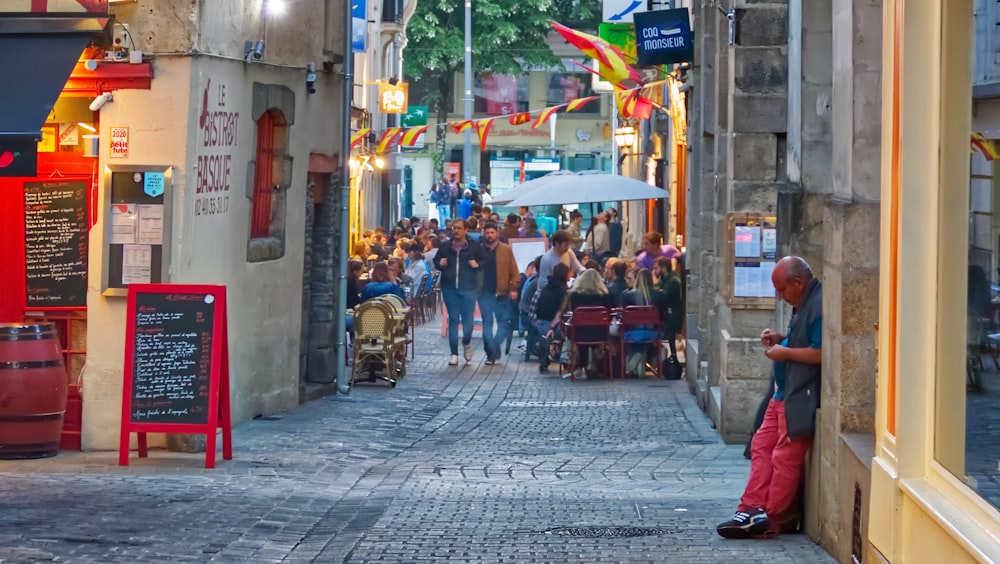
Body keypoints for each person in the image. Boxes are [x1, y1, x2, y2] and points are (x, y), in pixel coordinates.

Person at [716, 256, 822, 539]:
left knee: (785, 456)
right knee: (761, 445)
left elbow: (821, 352)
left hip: (798, 395)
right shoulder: (803, 302)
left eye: (782, 289)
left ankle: (770, 518)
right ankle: (750, 507)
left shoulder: (818, 305)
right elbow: (801, 340)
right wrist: (781, 338)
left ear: (798, 283)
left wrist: (784, 352)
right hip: (782, 392)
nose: (780, 296)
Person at [433, 218, 484, 365]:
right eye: (454, 228)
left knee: (468, 320)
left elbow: (484, 262)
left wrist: (477, 264)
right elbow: (437, 262)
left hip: (469, 288)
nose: (456, 230)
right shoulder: (445, 246)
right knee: (453, 319)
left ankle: (466, 341)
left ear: (465, 230)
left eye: (459, 228)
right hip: (450, 289)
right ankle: (454, 353)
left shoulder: (473, 246)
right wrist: (440, 264)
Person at [477, 222, 520, 365]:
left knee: (504, 324)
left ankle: (495, 346)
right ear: (484, 233)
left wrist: (514, 288)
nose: (489, 235)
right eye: (487, 233)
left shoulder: (506, 250)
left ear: (497, 234)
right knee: (487, 325)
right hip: (484, 293)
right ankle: (490, 354)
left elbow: (513, 270)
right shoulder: (479, 250)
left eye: (492, 233)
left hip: (501, 293)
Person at [620, 268, 668, 377]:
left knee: (625, 335)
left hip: (633, 333)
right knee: (646, 337)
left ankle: (635, 357)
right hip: (654, 333)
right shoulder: (660, 294)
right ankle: (642, 357)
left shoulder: (627, 294)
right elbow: (664, 314)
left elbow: (622, 315)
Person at [565, 268, 611, 380]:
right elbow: (609, 313)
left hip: (580, 332)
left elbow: (572, 310)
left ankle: (582, 367)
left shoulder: (575, 295)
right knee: (590, 333)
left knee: (581, 334)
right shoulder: (604, 296)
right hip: (601, 333)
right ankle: (595, 360)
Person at [534, 263, 571, 374]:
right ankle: (566, 359)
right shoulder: (563, 290)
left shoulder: (546, 287)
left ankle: (545, 349)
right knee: (571, 331)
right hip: (552, 325)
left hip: (539, 322)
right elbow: (562, 311)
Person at [654, 256, 684, 377]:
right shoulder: (665, 281)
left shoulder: (673, 282)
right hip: (668, 316)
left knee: (670, 339)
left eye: (656, 268)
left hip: (673, 316)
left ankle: (672, 364)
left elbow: (664, 298)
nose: (654, 271)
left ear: (663, 268)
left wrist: (656, 285)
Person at [536, 230, 587, 294]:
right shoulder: (546, 259)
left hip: (563, 291)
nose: (568, 247)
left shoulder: (569, 252)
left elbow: (578, 267)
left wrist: (587, 273)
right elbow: (543, 283)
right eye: (565, 245)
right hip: (548, 294)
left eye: (569, 245)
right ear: (557, 243)